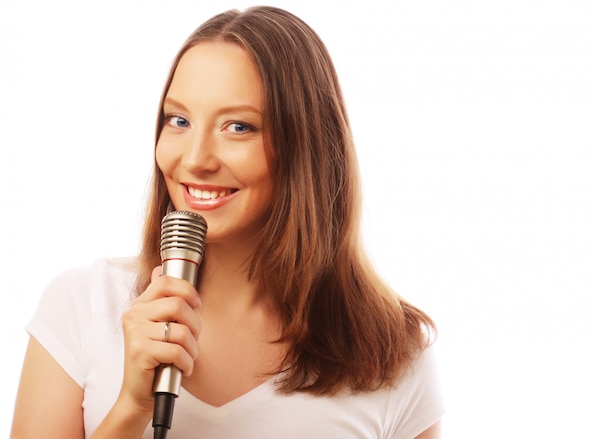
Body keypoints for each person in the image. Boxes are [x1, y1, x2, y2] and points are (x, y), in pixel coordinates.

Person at [11, 6, 444, 438]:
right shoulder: (81, 306)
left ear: (305, 147)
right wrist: (131, 408)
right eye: (178, 120)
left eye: (238, 127)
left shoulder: (393, 355)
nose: (195, 160)